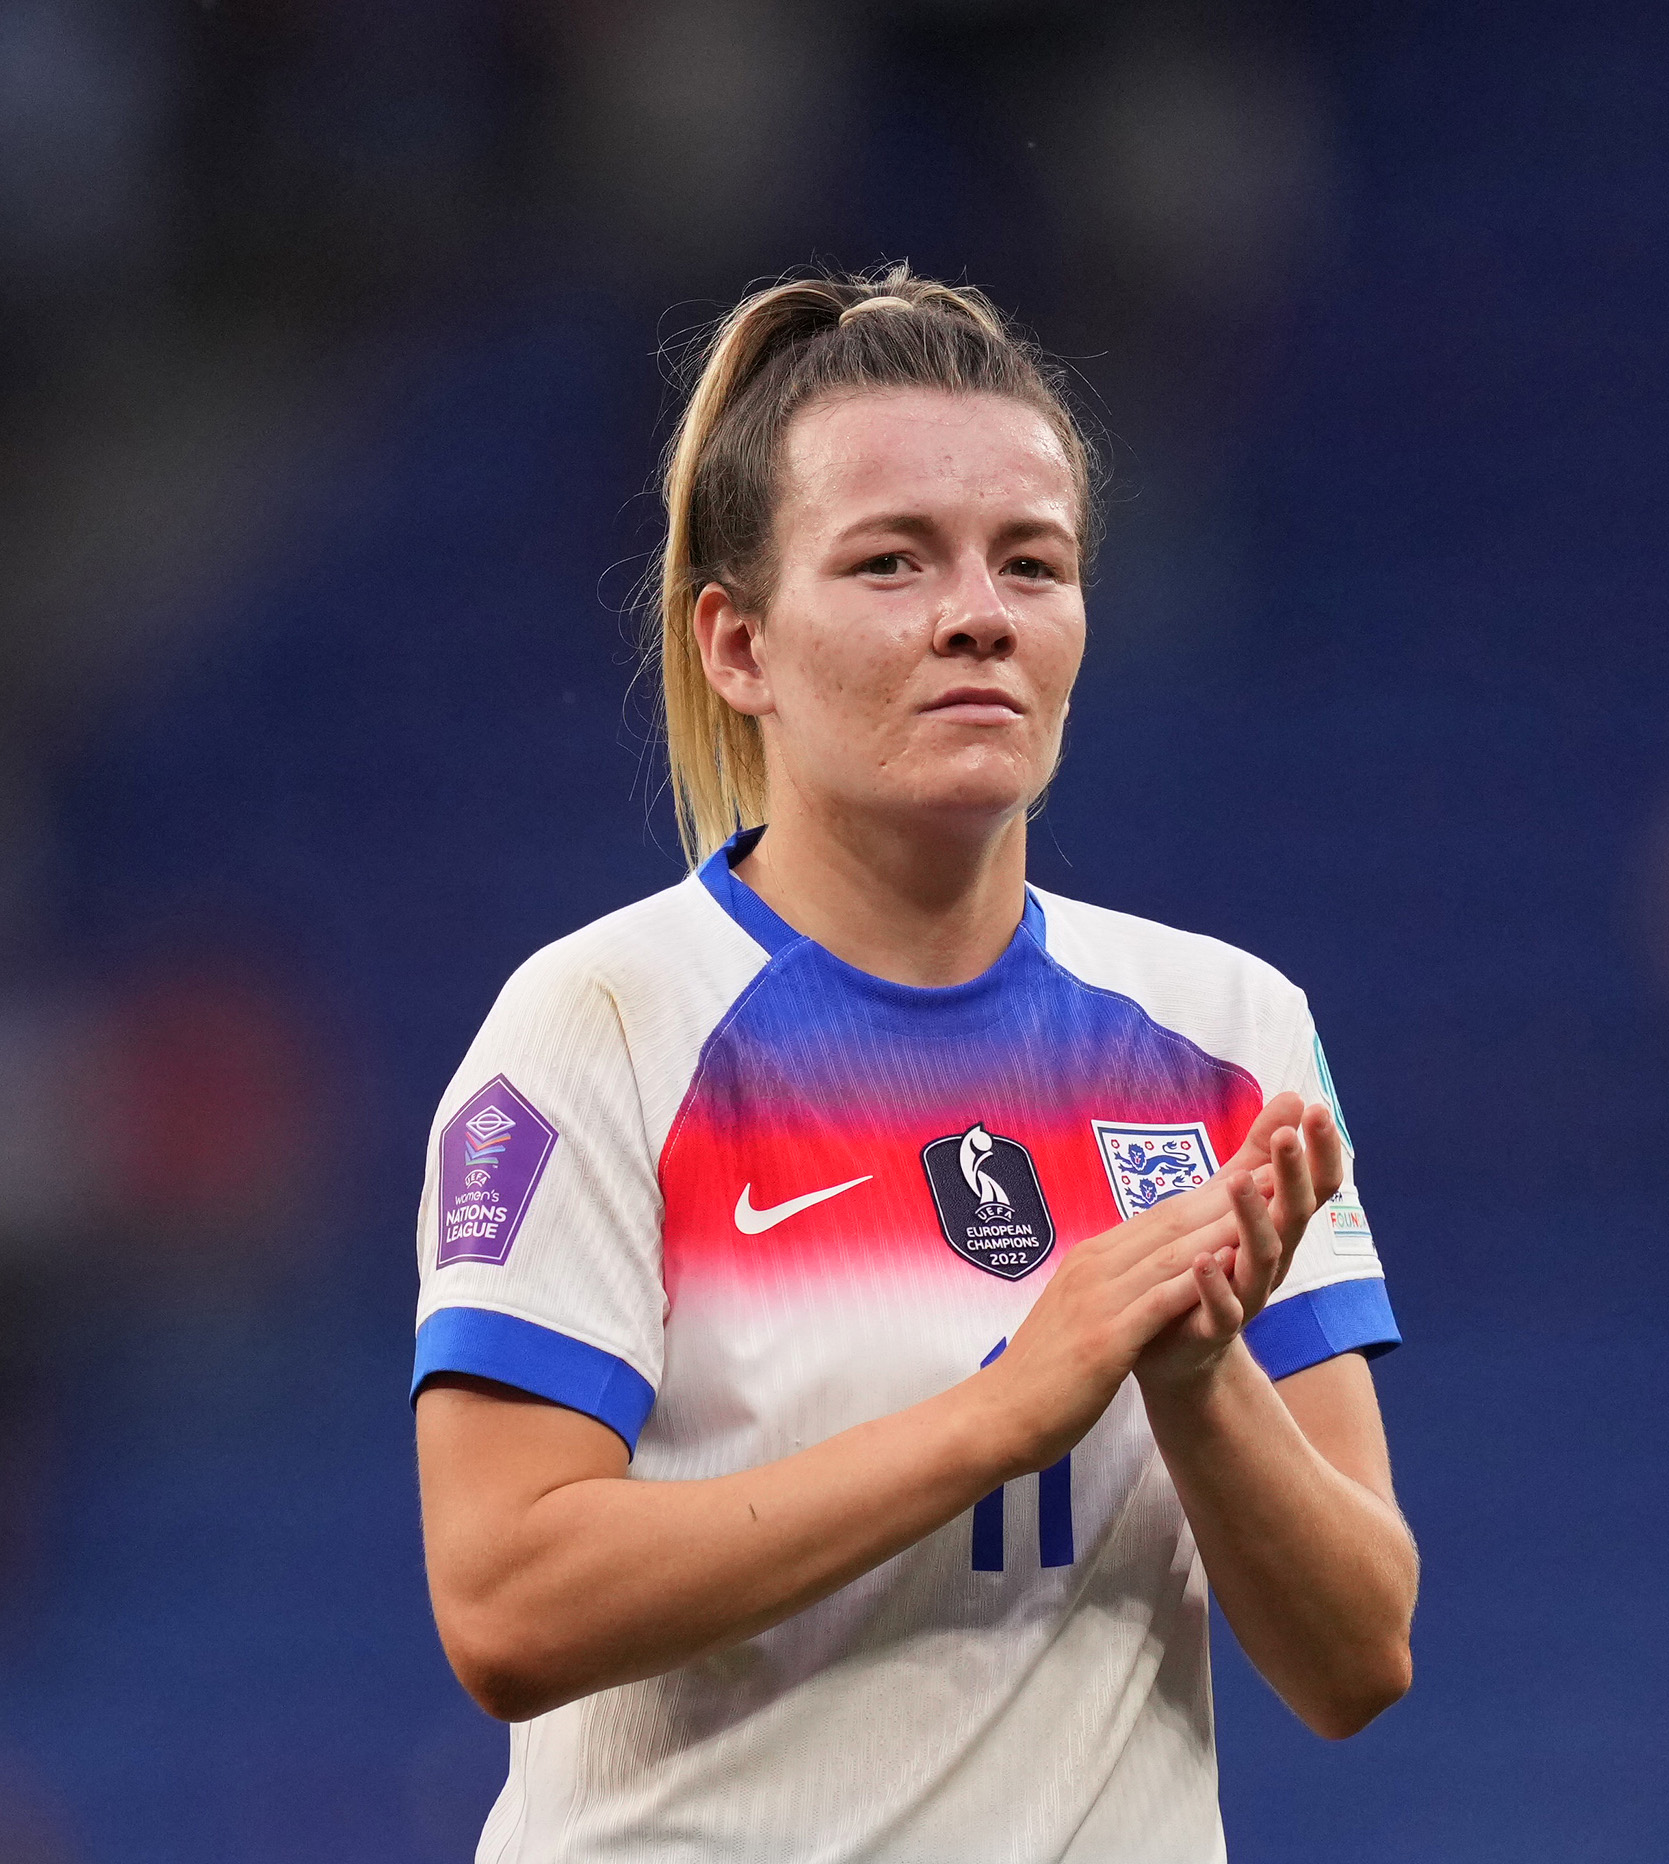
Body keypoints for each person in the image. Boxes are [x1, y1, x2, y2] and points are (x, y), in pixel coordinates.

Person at [409, 266, 1415, 1862]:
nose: (979, 613)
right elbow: (508, 1606)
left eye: (1033, 562)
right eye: (892, 561)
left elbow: (1359, 1659)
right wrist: (1002, 1412)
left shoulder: (1229, 1034)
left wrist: (1196, 1375)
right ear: (738, 645)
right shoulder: (602, 1024)